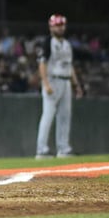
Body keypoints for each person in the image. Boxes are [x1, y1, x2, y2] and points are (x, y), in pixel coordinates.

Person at [35, 14, 83, 159]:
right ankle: (41, 150)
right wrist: (45, 83)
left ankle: (63, 149)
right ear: (51, 27)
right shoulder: (48, 42)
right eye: (57, 25)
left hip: (66, 81)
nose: (60, 27)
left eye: (61, 25)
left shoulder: (67, 44)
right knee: (48, 115)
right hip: (53, 80)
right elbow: (42, 63)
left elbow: (70, 65)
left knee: (65, 116)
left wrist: (76, 85)